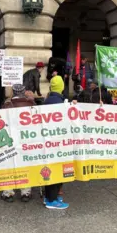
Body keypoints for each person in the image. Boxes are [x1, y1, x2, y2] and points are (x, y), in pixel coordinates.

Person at [1, 84, 35, 203]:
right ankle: (26, 192)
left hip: (10, 141)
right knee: (25, 165)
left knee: (9, 166)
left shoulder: (6, 105)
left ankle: (8, 192)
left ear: (13, 92)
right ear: (24, 91)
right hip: (26, 140)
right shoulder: (31, 104)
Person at [43, 75, 69, 209]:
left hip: (49, 142)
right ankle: (52, 200)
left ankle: (49, 196)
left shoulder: (47, 101)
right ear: (62, 87)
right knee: (56, 169)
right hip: (57, 143)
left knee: (50, 168)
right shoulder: (60, 103)